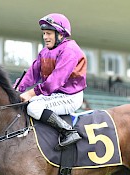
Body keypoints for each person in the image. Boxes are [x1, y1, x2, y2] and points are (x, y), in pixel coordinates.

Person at [16, 13, 87, 149]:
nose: (45, 37)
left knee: (33, 107)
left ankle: (69, 132)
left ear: (60, 34)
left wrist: (31, 93)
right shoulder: (45, 51)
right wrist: (17, 88)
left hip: (71, 96)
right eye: (44, 33)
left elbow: (55, 81)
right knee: (25, 104)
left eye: (49, 33)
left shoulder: (70, 51)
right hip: (54, 94)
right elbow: (31, 74)